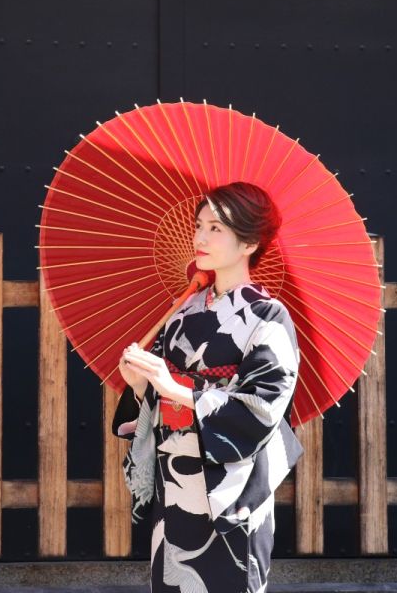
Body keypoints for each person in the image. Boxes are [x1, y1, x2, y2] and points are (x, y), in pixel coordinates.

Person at [112, 181, 304, 593]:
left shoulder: (268, 316)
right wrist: (142, 386)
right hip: (176, 480)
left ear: (249, 242)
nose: (199, 238)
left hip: (231, 487)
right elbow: (160, 395)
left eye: (215, 228)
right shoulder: (184, 311)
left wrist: (176, 389)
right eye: (199, 225)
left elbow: (264, 406)